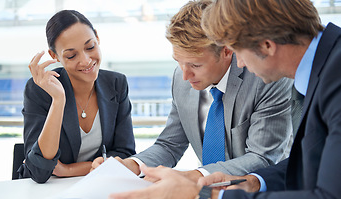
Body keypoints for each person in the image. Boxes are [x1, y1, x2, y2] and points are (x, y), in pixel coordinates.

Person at [107, 0, 341, 199]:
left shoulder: (333, 80)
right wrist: (255, 181)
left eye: (238, 51)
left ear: (267, 45)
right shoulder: (326, 69)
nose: (239, 63)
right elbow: (311, 164)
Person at [92, 0, 293, 181]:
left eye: (195, 65)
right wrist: (132, 166)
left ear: (226, 51)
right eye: (179, 62)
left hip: (264, 196)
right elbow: (169, 145)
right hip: (206, 192)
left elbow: (262, 158)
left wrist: (191, 176)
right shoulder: (181, 79)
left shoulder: (265, 78)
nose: (185, 75)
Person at [19, 10, 136, 183]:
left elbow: (125, 155)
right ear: (54, 56)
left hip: (96, 186)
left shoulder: (116, 83)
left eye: (90, 47)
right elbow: (39, 170)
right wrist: (58, 101)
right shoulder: (39, 89)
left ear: (97, 38)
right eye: (71, 55)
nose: (86, 60)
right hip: (45, 192)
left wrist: (68, 170)